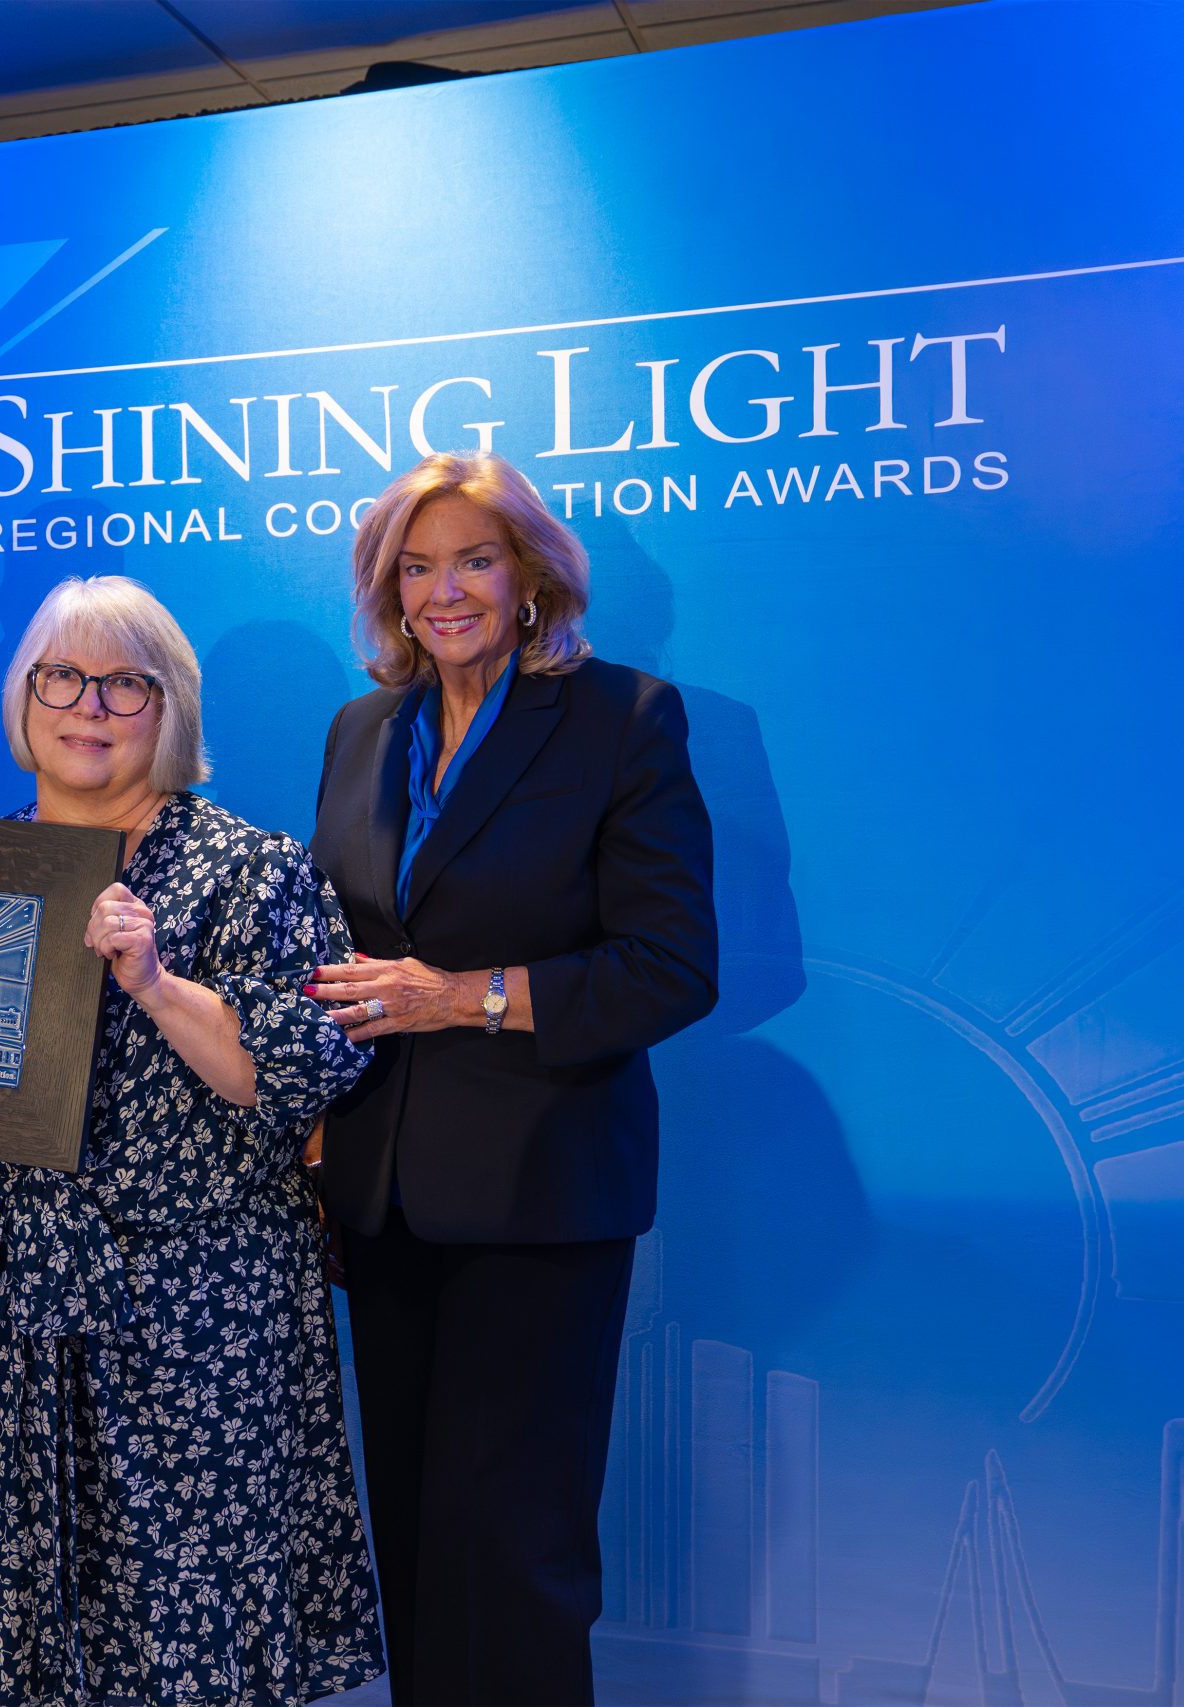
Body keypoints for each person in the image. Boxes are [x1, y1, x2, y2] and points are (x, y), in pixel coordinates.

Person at [0, 575, 386, 1705]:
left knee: (180, 1613)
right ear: (25, 700)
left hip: (195, 1313)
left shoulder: (252, 868)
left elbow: (287, 1075)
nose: (88, 707)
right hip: (8, 1297)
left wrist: (151, 981)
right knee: (13, 1599)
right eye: (62, 677)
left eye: (125, 686)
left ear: (171, 713)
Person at [306, 451, 717, 1705]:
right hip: (380, 1198)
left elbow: (670, 968)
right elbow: (335, 946)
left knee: (516, 1551)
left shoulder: (624, 718)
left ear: (531, 574)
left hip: (543, 1196)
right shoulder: (362, 728)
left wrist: (464, 998)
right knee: (418, 1540)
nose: (443, 592)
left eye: (472, 560)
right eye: (414, 567)